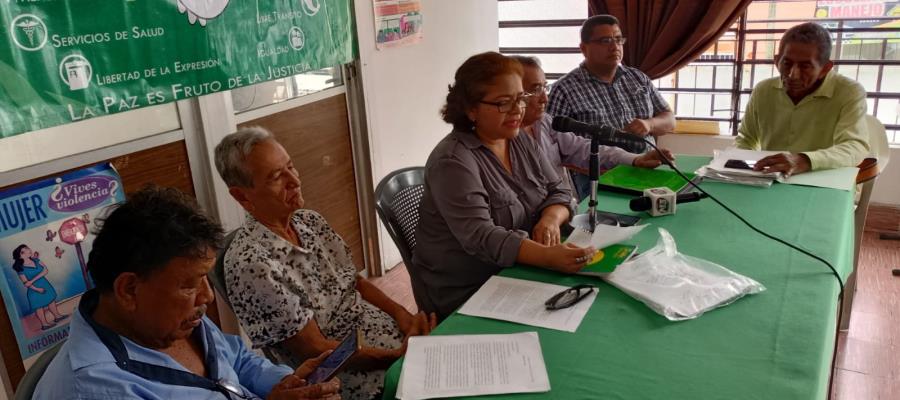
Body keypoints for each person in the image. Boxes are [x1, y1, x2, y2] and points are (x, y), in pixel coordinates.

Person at [33, 186, 341, 400]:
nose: (207, 296)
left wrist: (286, 384)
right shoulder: (95, 390)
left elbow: (236, 358)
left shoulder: (165, 320)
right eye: (189, 285)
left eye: (204, 278)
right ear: (129, 289)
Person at [215, 128, 435, 400]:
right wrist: (397, 356)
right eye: (276, 177)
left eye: (291, 167)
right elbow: (315, 349)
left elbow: (356, 282)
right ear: (242, 196)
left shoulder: (309, 221)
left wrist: (405, 317)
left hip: (386, 339)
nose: (294, 180)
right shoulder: (253, 264)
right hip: (347, 377)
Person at [411, 51, 597, 320]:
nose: (517, 110)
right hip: (471, 287)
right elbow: (481, 236)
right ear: (470, 108)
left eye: (521, 98)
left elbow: (560, 189)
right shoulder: (453, 162)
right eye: (503, 103)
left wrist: (550, 220)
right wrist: (547, 257)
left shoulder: (517, 137)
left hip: (522, 268)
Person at [547, 14, 675, 200]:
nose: (615, 47)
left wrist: (650, 124)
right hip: (600, 177)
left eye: (618, 39)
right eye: (605, 40)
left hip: (648, 166)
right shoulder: (564, 89)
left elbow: (670, 120)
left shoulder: (637, 78)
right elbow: (553, 143)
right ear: (584, 48)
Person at [511, 55, 675, 200]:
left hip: (560, 208)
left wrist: (635, 159)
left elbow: (582, 148)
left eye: (544, 87)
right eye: (535, 89)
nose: (545, 99)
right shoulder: (502, 137)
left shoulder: (544, 122)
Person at [736, 22, 869, 176]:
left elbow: (855, 146)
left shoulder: (849, 92)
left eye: (805, 66)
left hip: (823, 180)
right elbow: (746, 139)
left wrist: (805, 160)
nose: (793, 75)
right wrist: (738, 168)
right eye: (787, 63)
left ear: (825, 69)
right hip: (772, 179)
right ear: (776, 61)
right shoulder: (763, 90)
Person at [11, 244, 65, 330]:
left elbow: (45, 270)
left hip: (45, 285)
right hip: (34, 290)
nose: (29, 250)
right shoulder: (20, 268)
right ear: (21, 255)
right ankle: (44, 324)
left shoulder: (36, 260)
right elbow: (26, 284)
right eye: (26, 249)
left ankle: (57, 316)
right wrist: (37, 289)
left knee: (51, 300)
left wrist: (32, 281)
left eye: (28, 248)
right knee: (39, 307)